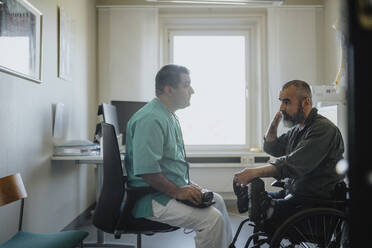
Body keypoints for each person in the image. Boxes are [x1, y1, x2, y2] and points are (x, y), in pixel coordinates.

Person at [125, 64, 233, 248]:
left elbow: (168, 164)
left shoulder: (169, 116)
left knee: (218, 201)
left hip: (164, 191)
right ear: (169, 89)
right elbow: (147, 172)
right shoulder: (150, 119)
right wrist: (178, 191)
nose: (192, 90)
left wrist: (187, 186)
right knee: (211, 220)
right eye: (186, 85)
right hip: (151, 198)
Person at [234, 80, 345, 224]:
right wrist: (274, 124)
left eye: (286, 102)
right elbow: (272, 147)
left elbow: (292, 164)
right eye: (281, 102)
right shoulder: (298, 129)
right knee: (257, 203)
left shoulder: (323, 129)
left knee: (263, 210)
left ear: (305, 102)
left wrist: (255, 172)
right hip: (296, 194)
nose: (281, 108)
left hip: (314, 202)